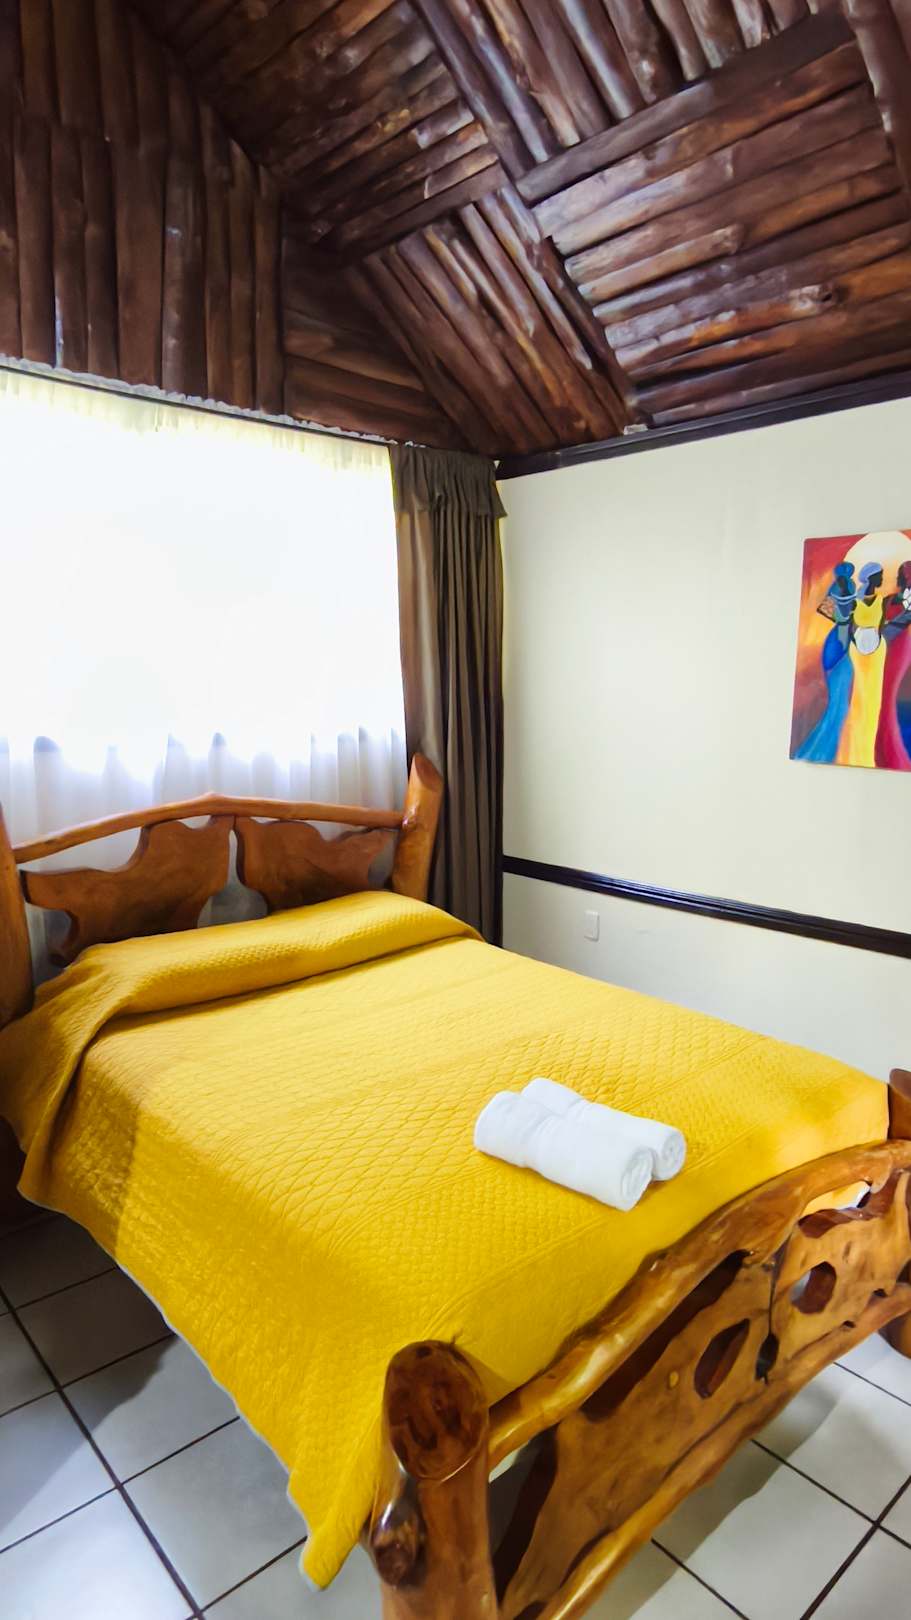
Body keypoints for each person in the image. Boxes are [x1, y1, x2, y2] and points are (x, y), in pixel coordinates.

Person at [794, 561, 856, 763]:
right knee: (838, 701)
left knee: (839, 700)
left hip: (840, 641)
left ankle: (832, 747)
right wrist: (845, 618)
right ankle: (829, 748)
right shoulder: (844, 587)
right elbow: (835, 614)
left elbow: (829, 612)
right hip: (839, 643)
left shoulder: (843, 587)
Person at [836, 560, 886, 768]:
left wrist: (877, 642)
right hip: (857, 648)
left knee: (873, 696)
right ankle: (853, 746)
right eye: (880, 575)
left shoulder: (881, 599)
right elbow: (845, 623)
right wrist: (854, 642)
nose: (882, 578)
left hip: (877, 650)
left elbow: (881, 625)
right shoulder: (854, 601)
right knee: (858, 695)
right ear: (872, 577)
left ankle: (867, 744)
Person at [875, 560, 911, 769]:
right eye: (906, 575)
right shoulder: (888, 599)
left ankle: (890, 749)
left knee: (888, 696)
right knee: (879, 694)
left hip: (900, 649)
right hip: (881, 649)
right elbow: (878, 626)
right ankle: (877, 745)